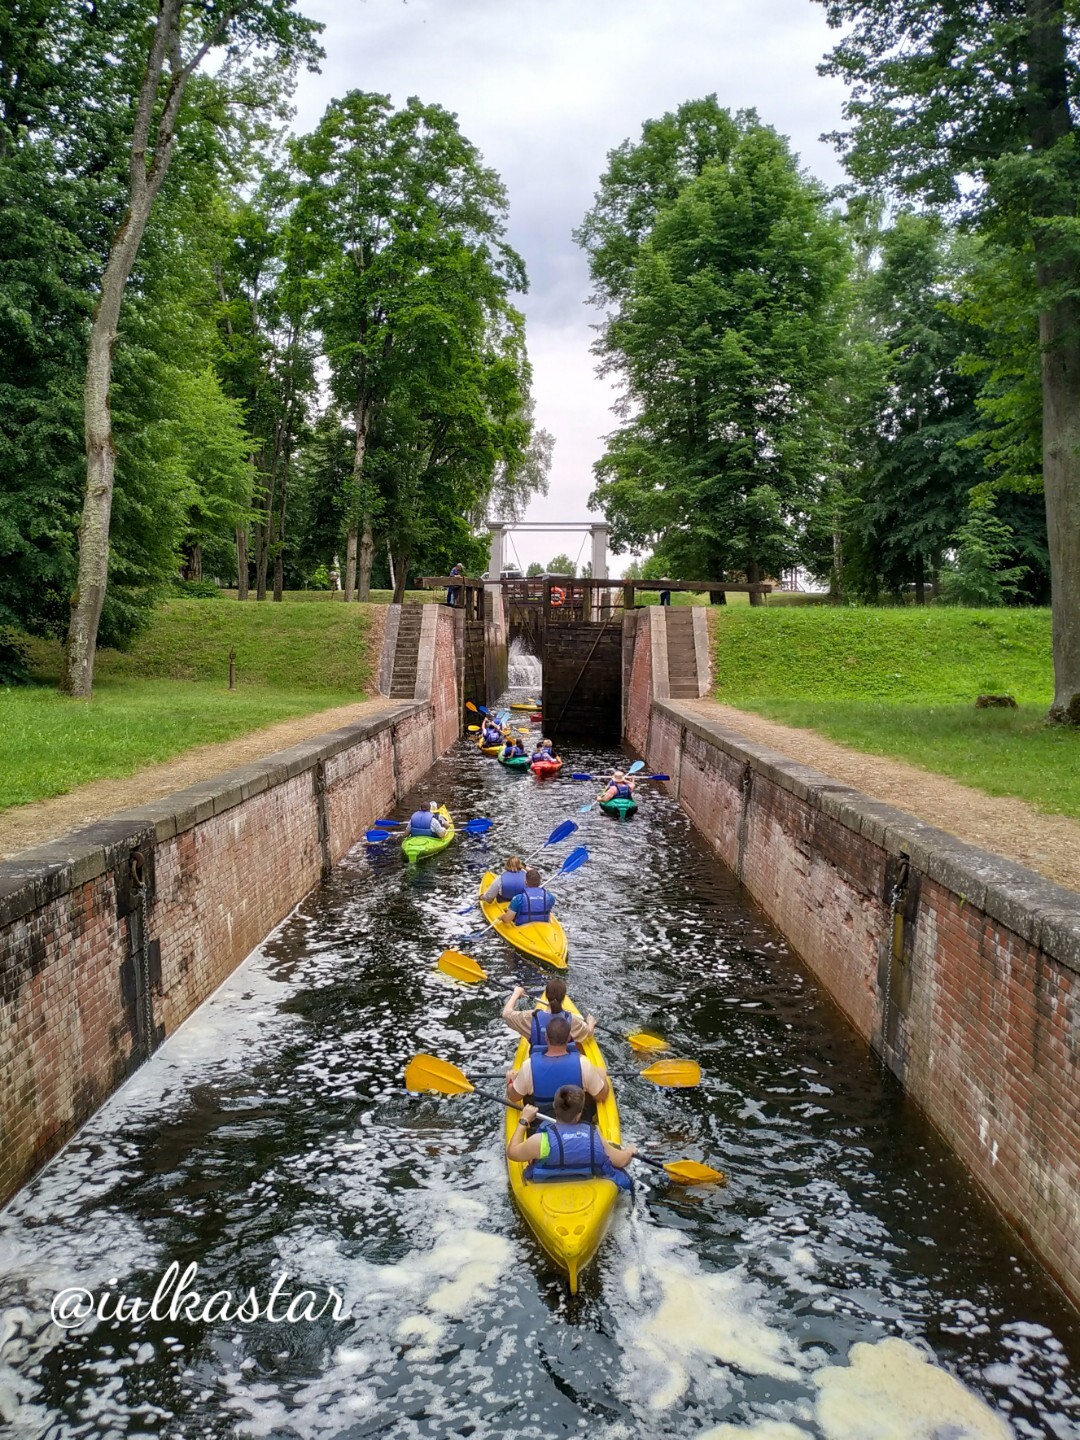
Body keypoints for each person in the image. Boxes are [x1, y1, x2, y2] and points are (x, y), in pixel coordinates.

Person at [506, 1085, 635, 1191]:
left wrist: (524, 1120)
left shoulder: (540, 1141)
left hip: (544, 1187)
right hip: (586, 1185)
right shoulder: (594, 1136)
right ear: (579, 1114)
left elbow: (512, 1153)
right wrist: (630, 1151)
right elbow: (621, 1161)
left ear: (554, 1107)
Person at [506, 1016, 610, 1112]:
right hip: (574, 1119)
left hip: (542, 1121)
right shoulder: (583, 1063)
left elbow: (514, 1097)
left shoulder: (528, 1066)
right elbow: (601, 1095)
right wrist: (603, 1077)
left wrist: (510, 1080)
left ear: (546, 1037)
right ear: (569, 1037)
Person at [503, 978, 596, 1049]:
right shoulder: (573, 1021)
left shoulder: (530, 1017)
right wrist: (591, 1023)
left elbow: (506, 1014)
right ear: (563, 997)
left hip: (538, 1063)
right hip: (563, 1061)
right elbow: (588, 1033)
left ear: (547, 996)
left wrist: (516, 994)